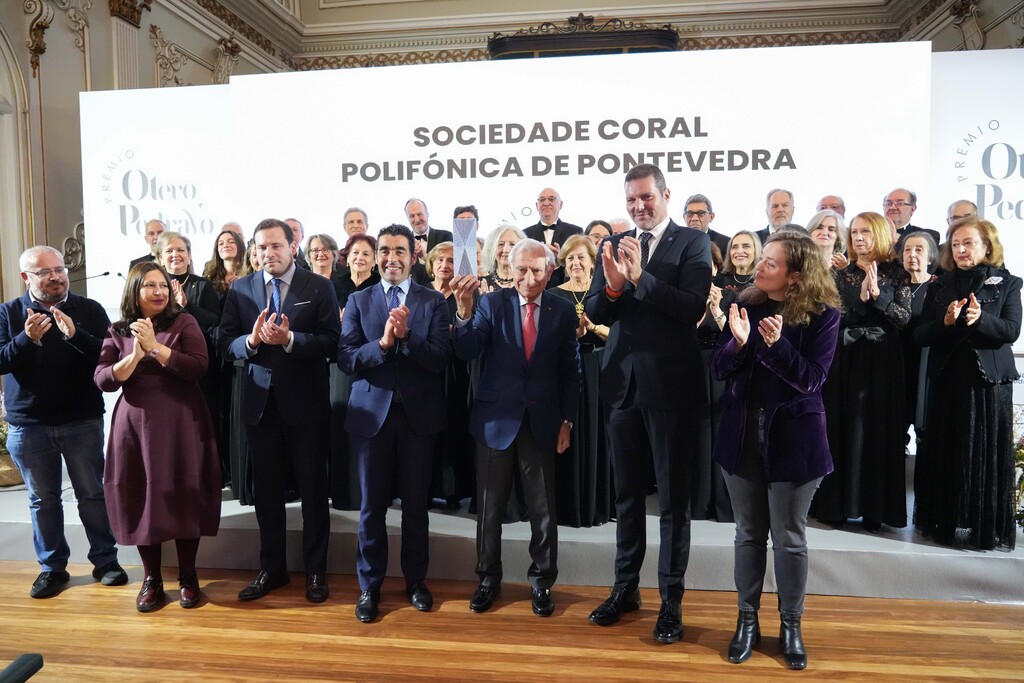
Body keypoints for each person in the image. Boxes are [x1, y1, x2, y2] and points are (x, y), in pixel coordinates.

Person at [585, 164, 712, 644]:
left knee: (674, 503)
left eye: (646, 197)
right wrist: (614, 286)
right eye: (631, 200)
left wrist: (640, 278)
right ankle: (625, 589)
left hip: (672, 388)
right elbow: (595, 309)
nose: (638, 207)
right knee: (626, 497)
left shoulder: (692, 242)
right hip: (622, 385)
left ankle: (671, 601)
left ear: (665, 194)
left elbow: (692, 307)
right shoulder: (614, 244)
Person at [712, 232, 841, 670]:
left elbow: (811, 379)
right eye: (761, 258)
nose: (759, 267)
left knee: (788, 537)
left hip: (796, 440)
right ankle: (746, 620)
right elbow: (718, 369)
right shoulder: (745, 304)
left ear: (796, 275)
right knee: (748, 533)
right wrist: (738, 343)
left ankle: (791, 625)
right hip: (741, 435)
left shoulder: (824, 315)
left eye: (770, 262)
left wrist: (776, 345)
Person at [451, 238, 580, 617]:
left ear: (549, 272)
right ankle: (487, 579)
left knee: (543, 510)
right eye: (521, 269)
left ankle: (542, 582)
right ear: (510, 269)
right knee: (489, 508)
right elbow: (467, 350)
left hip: (542, 422)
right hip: (495, 422)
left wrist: (567, 421)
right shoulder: (491, 304)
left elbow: (570, 371)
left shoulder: (562, 310)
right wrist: (463, 312)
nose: (528, 278)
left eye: (536, 270)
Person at [219, 218, 340, 603]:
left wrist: (290, 339)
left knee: (313, 492)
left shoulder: (318, 286)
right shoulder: (240, 288)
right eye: (261, 247)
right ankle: (272, 569)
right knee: (267, 494)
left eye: (275, 245)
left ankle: (316, 571)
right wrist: (251, 341)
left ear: (292, 247)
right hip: (260, 406)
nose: (268, 253)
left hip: (306, 405)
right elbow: (224, 342)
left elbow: (332, 342)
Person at [0, 246, 127, 599]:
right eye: (44, 272)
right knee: (44, 500)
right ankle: (52, 568)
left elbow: (109, 355)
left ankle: (106, 561)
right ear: (26, 277)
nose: (56, 277)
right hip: (29, 424)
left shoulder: (89, 309)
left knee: (92, 494)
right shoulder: (8, 313)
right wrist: (27, 339)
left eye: (60, 269)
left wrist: (75, 335)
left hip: (81, 419)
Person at [339, 223, 451, 622]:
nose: (391, 258)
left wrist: (407, 338)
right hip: (371, 420)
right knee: (371, 508)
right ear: (376, 257)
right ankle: (369, 586)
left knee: (416, 506)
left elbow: (440, 358)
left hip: (419, 419)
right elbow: (347, 359)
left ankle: (416, 581)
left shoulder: (433, 301)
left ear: (413, 256)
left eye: (399, 251)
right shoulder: (358, 300)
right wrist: (384, 344)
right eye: (384, 251)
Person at [95, 262, 221, 611]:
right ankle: (152, 578)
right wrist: (134, 357)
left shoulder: (184, 322)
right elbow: (103, 379)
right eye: (150, 285)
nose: (159, 291)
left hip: (181, 419)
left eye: (163, 285)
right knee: (140, 493)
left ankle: (188, 576)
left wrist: (154, 348)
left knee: (184, 492)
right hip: (135, 425)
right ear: (134, 291)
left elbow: (198, 366)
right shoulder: (118, 329)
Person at [914, 217, 1021, 550]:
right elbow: (920, 335)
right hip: (947, 381)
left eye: (968, 243)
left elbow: (1011, 330)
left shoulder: (1007, 282)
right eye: (956, 244)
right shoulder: (939, 285)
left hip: (988, 385)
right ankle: (944, 521)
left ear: (986, 246)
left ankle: (981, 527)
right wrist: (945, 322)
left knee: (985, 455)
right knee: (946, 452)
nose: (961, 250)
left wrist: (981, 319)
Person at [812, 211, 911, 531]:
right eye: (854, 232)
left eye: (865, 232)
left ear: (879, 234)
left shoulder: (897, 273)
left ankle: (875, 511)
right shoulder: (841, 273)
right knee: (842, 427)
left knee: (878, 429)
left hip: (883, 360)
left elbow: (903, 319)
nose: (857, 237)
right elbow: (833, 318)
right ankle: (836, 508)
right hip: (846, 357)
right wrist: (861, 300)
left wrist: (878, 298)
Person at [551, 235, 612, 528]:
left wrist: (593, 327)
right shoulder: (553, 295)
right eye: (570, 258)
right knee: (566, 433)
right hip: (564, 370)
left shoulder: (604, 294)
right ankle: (566, 507)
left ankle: (596, 505)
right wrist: (570, 336)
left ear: (592, 262)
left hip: (599, 369)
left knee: (597, 433)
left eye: (581, 257)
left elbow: (618, 333)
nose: (575, 263)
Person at [156, 231, 225, 480]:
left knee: (202, 421)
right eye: (169, 251)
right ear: (160, 257)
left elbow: (215, 321)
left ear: (189, 255)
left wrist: (186, 305)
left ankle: (206, 475)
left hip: (199, 365)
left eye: (181, 250)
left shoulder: (203, 285)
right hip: (163, 365)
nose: (175, 255)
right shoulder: (153, 286)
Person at [329, 233, 382, 511]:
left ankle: (371, 494)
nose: (360, 258)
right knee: (340, 427)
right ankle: (342, 493)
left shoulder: (380, 287)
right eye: (355, 253)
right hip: (339, 365)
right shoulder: (332, 286)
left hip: (372, 364)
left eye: (366, 254)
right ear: (346, 258)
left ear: (375, 260)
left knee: (369, 430)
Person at [426, 241, 476, 508]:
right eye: (440, 260)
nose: (445, 265)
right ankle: (425, 489)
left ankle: (452, 491)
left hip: (455, 372)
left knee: (453, 428)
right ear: (431, 264)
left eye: (451, 261)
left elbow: (472, 330)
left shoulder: (464, 294)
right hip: (425, 371)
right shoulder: (420, 293)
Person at [900, 232, 938, 456]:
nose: (912, 254)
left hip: (926, 365)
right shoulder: (895, 286)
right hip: (898, 363)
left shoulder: (939, 287)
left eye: (919, 250)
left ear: (931, 256)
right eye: (907, 250)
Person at [203, 229, 251, 295]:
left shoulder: (250, 272)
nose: (225, 246)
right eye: (221, 244)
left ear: (240, 246)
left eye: (231, 242)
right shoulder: (210, 275)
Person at [481, 224, 525, 290]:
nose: (506, 250)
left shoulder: (529, 282)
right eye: (501, 244)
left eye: (512, 244)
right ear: (491, 249)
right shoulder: (481, 285)